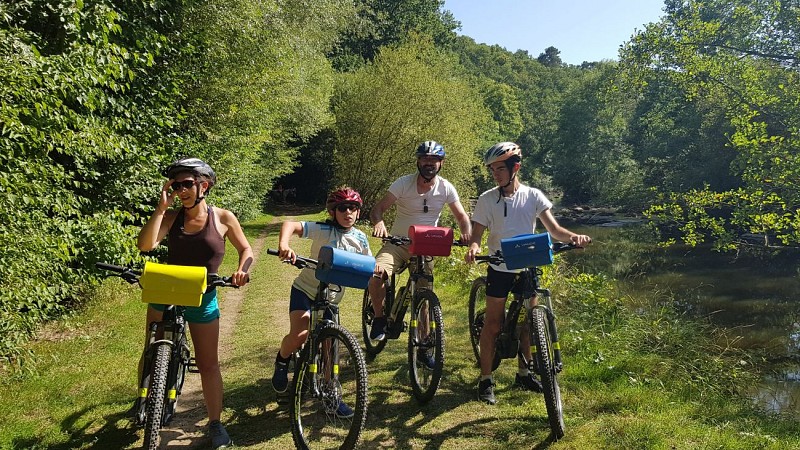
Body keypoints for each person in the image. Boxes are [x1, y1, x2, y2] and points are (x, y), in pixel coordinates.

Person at [137, 157, 252, 449]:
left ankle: (215, 423)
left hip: (203, 295)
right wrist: (161, 209)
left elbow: (246, 249)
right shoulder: (173, 216)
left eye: (187, 183)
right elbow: (146, 245)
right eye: (176, 185)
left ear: (204, 185)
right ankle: (142, 398)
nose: (181, 190)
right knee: (151, 348)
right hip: (166, 288)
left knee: (208, 363)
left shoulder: (223, 218)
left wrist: (243, 270)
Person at [464, 142, 591, 405]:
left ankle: (524, 373)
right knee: (493, 324)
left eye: (500, 168)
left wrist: (575, 237)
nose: (495, 174)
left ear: (515, 167)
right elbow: (476, 234)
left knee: (527, 325)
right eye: (492, 170)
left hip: (527, 267)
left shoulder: (533, 196)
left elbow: (554, 230)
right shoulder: (488, 199)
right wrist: (474, 247)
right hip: (499, 268)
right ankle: (486, 379)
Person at [270, 187, 379, 418]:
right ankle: (282, 360)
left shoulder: (360, 238)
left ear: (358, 212)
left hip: (331, 300)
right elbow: (291, 225)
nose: (348, 212)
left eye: (353, 208)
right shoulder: (322, 230)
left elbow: (369, 263)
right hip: (305, 291)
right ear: (332, 211)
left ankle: (331, 394)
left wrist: (376, 268)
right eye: (342, 208)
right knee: (300, 334)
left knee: (331, 347)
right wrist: (284, 245)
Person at [368, 141, 472, 367]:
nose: (429, 164)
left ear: (441, 163)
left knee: (424, 296)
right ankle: (378, 317)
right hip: (397, 242)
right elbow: (378, 209)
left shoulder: (445, 188)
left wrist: (466, 233)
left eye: (434, 160)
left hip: (425, 246)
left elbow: (462, 217)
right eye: (425, 159)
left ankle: (424, 346)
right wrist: (380, 224)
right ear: (418, 161)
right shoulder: (403, 183)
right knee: (376, 274)